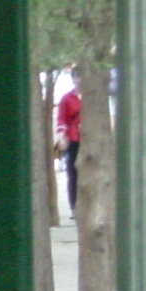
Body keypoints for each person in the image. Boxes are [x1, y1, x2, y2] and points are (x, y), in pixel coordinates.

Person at [56, 77, 81, 218]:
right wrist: (61, 136)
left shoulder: (95, 98)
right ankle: (74, 207)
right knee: (73, 173)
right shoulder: (67, 98)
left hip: (91, 140)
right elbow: (61, 119)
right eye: (78, 77)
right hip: (74, 139)